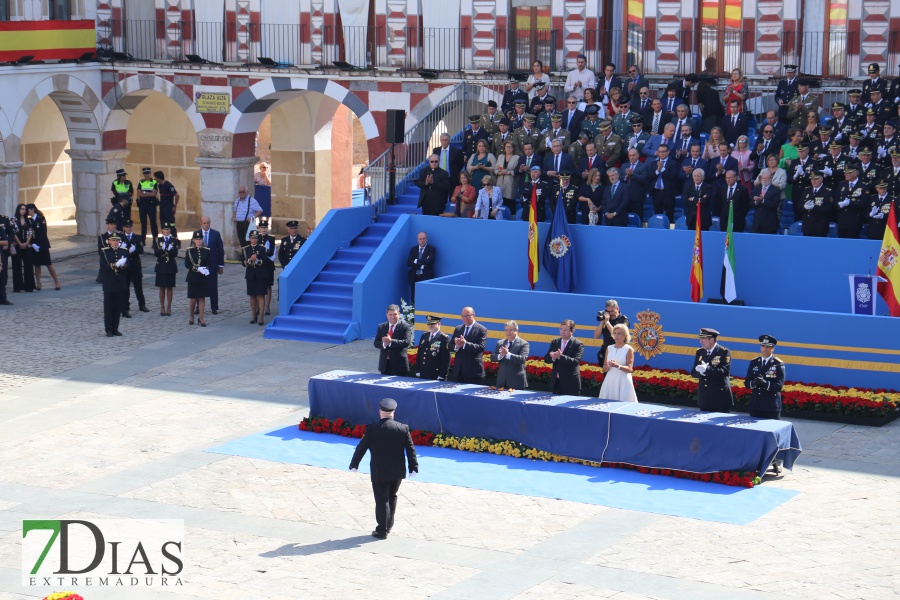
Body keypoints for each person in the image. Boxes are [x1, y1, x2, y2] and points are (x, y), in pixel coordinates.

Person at [348, 397, 419, 540]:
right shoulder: (402, 428)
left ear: (380, 412)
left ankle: (382, 530)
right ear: (394, 412)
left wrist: (354, 464)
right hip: (397, 470)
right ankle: (389, 524)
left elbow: (361, 448)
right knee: (392, 496)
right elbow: (410, 449)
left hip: (379, 471)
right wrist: (414, 467)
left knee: (382, 499)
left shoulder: (372, 429)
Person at [691, 327, 733, 413]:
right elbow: (694, 373)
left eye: (703, 338)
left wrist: (707, 369)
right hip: (705, 398)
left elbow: (724, 371)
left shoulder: (723, 352)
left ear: (712, 340)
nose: (701, 341)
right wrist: (699, 371)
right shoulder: (700, 352)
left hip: (719, 398)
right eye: (700, 338)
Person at [598, 323, 638, 402]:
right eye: (615, 333)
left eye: (619, 334)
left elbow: (630, 369)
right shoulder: (609, 348)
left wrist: (617, 366)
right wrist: (608, 366)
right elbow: (604, 369)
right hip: (610, 381)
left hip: (623, 381)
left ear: (624, 336)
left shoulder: (628, 349)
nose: (616, 336)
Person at [545, 319, 584, 396]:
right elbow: (546, 358)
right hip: (557, 382)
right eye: (561, 329)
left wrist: (560, 357)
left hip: (571, 384)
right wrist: (553, 357)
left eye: (565, 330)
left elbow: (575, 361)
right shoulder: (555, 342)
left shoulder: (578, 344)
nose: (562, 332)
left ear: (572, 331)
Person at [100, 234, 129, 337]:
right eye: (113, 240)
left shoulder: (124, 250)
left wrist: (123, 265)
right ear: (109, 241)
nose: (116, 242)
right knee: (108, 307)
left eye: (117, 240)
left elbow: (127, 264)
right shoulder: (104, 251)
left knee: (117, 307)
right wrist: (115, 265)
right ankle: (108, 329)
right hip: (109, 283)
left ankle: (115, 328)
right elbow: (104, 266)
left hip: (120, 282)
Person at [194, 216, 224, 314]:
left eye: (208, 222)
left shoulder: (215, 234)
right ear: (201, 223)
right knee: (199, 286)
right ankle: (198, 307)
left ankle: (214, 307)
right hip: (201, 265)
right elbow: (193, 249)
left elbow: (220, 250)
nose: (206, 225)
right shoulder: (196, 234)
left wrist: (220, 265)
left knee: (213, 286)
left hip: (212, 265)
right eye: (204, 223)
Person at [26, 204, 60, 291]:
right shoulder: (29, 220)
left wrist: (39, 245)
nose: (27, 211)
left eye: (28, 210)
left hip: (43, 245)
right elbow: (29, 233)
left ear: (32, 209)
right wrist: (32, 244)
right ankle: (38, 283)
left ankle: (56, 281)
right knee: (37, 264)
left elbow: (43, 233)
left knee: (48, 263)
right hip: (34, 245)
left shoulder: (41, 218)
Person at [451, 306, 487, 384]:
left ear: (473, 315)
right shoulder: (458, 329)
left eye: (468, 316)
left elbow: (481, 347)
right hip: (459, 371)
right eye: (463, 316)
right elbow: (450, 346)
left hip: (473, 372)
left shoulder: (481, 330)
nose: (465, 318)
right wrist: (457, 346)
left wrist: (465, 344)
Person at [374, 304, 412, 376]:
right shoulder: (381, 327)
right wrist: (384, 344)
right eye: (390, 315)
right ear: (387, 315)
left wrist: (391, 341)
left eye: (395, 314)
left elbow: (406, 342)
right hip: (385, 365)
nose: (392, 317)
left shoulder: (405, 326)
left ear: (399, 314)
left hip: (399, 365)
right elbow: (376, 343)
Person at [490, 320, 529, 390]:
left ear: (516, 330)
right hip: (502, 382)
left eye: (510, 330)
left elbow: (522, 359)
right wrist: (500, 356)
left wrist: (508, 354)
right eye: (506, 330)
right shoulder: (500, 343)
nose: (508, 332)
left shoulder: (523, 344)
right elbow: (492, 357)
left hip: (516, 382)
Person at [120, 219, 148, 314]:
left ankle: (142, 304)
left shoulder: (137, 237)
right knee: (125, 286)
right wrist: (127, 251)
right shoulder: (121, 238)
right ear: (123, 228)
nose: (129, 228)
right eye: (127, 227)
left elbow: (141, 250)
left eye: (130, 226)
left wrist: (135, 249)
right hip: (126, 265)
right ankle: (125, 306)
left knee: (138, 286)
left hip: (135, 264)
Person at [242, 230, 269, 326]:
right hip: (251, 275)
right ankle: (253, 315)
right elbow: (243, 262)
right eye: (252, 238)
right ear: (250, 239)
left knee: (260, 295)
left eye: (256, 238)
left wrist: (257, 260)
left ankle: (261, 316)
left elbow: (265, 261)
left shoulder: (262, 248)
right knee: (252, 296)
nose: (254, 240)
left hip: (260, 274)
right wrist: (249, 260)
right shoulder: (246, 249)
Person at [184, 231, 211, 326]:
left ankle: (201, 318)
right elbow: (187, 264)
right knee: (192, 299)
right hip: (193, 277)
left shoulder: (206, 250)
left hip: (202, 277)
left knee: (201, 298)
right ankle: (191, 316)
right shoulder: (190, 251)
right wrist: (197, 268)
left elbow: (208, 262)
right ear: (194, 240)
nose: (199, 241)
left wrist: (206, 269)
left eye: (200, 239)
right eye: (197, 239)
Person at [154, 222, 180, 316]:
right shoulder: (158, 240)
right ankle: (162, 307)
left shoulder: (174, 240)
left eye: (168, 229)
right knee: (161, 288)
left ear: (170, 230)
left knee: (169, 287)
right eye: (164, 229)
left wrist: (170, 250)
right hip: (161, 266)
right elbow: (156, 253)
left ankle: (169, 307)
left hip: (170, 266)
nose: (166, 231)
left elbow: (176, 253)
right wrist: (162, 249)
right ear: (162, 230)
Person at [415, 315, 450, 381]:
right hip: (423, 372)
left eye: (433, 324)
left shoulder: (444, 338)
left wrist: (442, 375)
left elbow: (446, 359)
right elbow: (419, 353)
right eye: (429, 324)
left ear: (439, 324)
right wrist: (417, 370)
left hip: (435, 373)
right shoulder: (424, 335)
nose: (430, 326)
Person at [10, 203, 35, 292]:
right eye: (22, 209)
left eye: (25, 209)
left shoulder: (29, 220)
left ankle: (30, 286)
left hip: (26, 245)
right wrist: (20, 243)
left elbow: (30, 232)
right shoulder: (13, 220)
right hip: (17, 245)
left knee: (28, 265)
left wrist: (26, 242)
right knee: (17, 266)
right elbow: (13, 233)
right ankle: (18, 287)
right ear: (18, 209)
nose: (23, 211)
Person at [407, 231, 435, 304]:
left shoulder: (431, 249)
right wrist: (422, 263)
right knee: (414, 297)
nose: (422, 241)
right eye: (420, 239)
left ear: (427, 239)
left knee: (425, 296)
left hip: (426, 277)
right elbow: (409, 262)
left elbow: (429, 261)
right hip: (414, 277)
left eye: (423, 239)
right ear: (417, 239)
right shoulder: (413, 249)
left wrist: (416, 260)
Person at [256, 218, 277, 316]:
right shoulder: (256, 238)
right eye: (262, 227)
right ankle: (259, 306)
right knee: (259, 285)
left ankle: (267, 305)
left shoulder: (271, 238)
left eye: (265, 227)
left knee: (268, 285)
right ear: (259, 228)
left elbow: (271, 252)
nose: (264, 229)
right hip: (259, 264)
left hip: (268, 264)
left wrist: (263, 251)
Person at [493, 141, 520, 215]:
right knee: (499, 203)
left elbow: (518, 171)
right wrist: (499, 172)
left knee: (510, 203)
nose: (508, 148)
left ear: (513, 148)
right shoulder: (500, 157)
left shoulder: (517, 158)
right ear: (504, 148)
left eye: (510, 147)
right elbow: (495, 169)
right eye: (507, 147)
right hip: (500, 183)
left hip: (510, 183)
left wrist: (508, 172)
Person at [136, 167, 159, 245]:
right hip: (142, 204)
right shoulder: (141, 182)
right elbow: (138, 194)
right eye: (145, 173)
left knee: (153, 222)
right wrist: (148, 193)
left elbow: (154, 194)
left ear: (150, 173)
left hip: (151, 204)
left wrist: (144, 193)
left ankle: (155, 240)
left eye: (148, 173)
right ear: (143, 174)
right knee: (143, 223)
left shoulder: (154, 182)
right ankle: (143, 240)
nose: (147, 175)